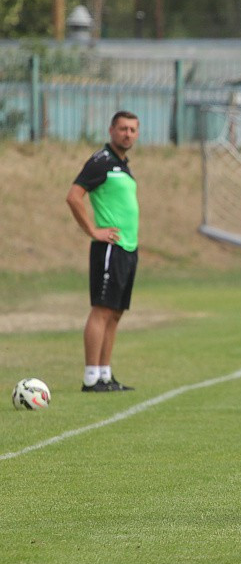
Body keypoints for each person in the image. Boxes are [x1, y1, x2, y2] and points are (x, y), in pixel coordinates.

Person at [66, 111, 141, 392]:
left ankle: (105, 375)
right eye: (123, 129)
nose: (128, 134)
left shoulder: (124, 165)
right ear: (111, 130)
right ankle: (90, 377)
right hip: (109, 247)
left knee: (116, 312)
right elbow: (73, 196)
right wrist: (92, 231)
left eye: (133, 129)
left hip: (128, 248)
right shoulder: (101, 161)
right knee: (102, 309)